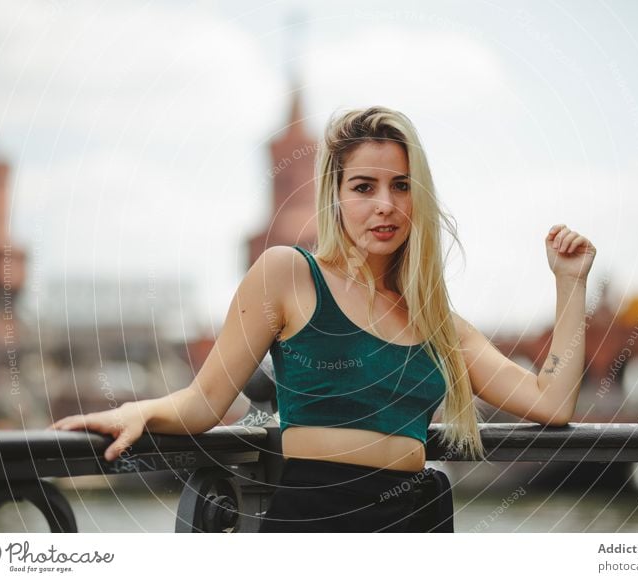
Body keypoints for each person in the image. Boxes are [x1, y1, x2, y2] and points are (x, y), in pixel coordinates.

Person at [49, 106, 596, 532]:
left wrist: (570, 283)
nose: (385, 204)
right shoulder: (288, 274)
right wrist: (138, 410)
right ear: (334, 197)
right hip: (316, 525)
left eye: (401, 186)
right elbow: (205, 401)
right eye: (364, 187)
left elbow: (552, 401)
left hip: (416, 530)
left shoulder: (437, 321)